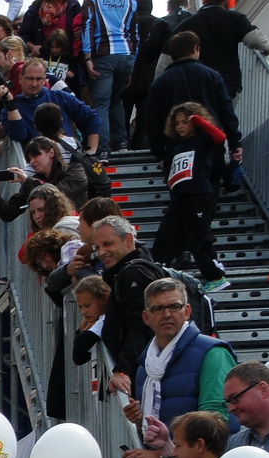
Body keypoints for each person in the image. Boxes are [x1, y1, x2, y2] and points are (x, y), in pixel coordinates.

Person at [121, 278, 236, 458]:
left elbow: (215, 421)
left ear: (187, 311)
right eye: (157, 308)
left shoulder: (212, 352)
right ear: (146, 317)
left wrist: (162, 455)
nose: (166, 314)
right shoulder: (144, 366)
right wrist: (140, 419)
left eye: (174, 306)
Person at [153, 102, 233, 291]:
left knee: (198, 237)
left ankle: (215, 276)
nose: (180, 126)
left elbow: (220, 137)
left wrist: (198, 120)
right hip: (179, 198)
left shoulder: (204, 139)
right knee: (166, 235)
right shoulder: (178, 145)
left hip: (198, 195)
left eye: (185, 122)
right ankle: (153, 272)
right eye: (177, 123)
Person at [143, 31, 240, 166]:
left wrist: (159, 153)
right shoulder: (212, 76)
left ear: (171, 54)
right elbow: (226, 111)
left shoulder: (160, 83)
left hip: (176, 151)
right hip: (210, 147)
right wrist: (234, 143)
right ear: (196, 49)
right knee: (211, 185)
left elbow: (152, 121)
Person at [94, 215, 164, 393]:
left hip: (143, 375)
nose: (101, 252)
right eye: (97, 247)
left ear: (128, 240)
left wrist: (123, 370)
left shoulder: (134, 274)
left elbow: (141, 325)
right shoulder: (127, 272)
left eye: (108, 244)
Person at [0, 59, 104, 151]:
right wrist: (10, 105)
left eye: (38, 79)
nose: (34, 84)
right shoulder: (10, 109)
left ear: (45, 79)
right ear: (20, 79)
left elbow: (93, 117)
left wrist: (91, 151)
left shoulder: (61, 97)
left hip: (68, 162)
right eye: (30, 78)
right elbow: (18, 135)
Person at [0, 136, 94, 222]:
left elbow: (55, 195)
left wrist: (27, 181)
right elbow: (8, 213)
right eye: (29, 159)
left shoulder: (76, 171)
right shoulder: (33, 182)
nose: (32, 162)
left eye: (36, 155)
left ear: (51, 152)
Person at [174, 0, 269, 98]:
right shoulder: (234, 18)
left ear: (203, 1)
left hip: (197, 86)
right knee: (223, 112)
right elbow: (255, 39)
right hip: (227, 84)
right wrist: (266, 48)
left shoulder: (187, 24)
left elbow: (166, 59)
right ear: (225, 1)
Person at [82, 0, 141, 154]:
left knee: (101, 103)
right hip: (126, 56)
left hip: (104, 55)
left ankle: (102, 148)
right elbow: (135, 34)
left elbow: (88, 26)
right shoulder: (131, 2)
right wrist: (132, 63)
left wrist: (87, 57)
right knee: (116, 100)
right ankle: (122, 144)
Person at [224, 361, 269, 450]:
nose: (230, 409)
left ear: (263, 389)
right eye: (228, 402)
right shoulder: (234, 444)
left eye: (234, 398)